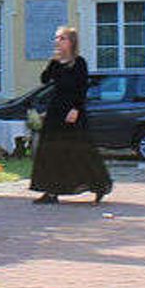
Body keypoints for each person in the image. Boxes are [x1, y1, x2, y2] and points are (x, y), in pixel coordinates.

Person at [29, 26, 112, 205]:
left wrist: (76, 109)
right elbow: (44, 80)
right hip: (56, 111)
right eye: (57, 38)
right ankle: (51, 192)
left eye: (62, 38)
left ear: (71, 41)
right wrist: (53, 62)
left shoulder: (79, 63)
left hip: (73, 112)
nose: (57, 41)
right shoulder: (56, 62)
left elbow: (82, 88)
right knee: (51, 151)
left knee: (80, 151)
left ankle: (99, 186)